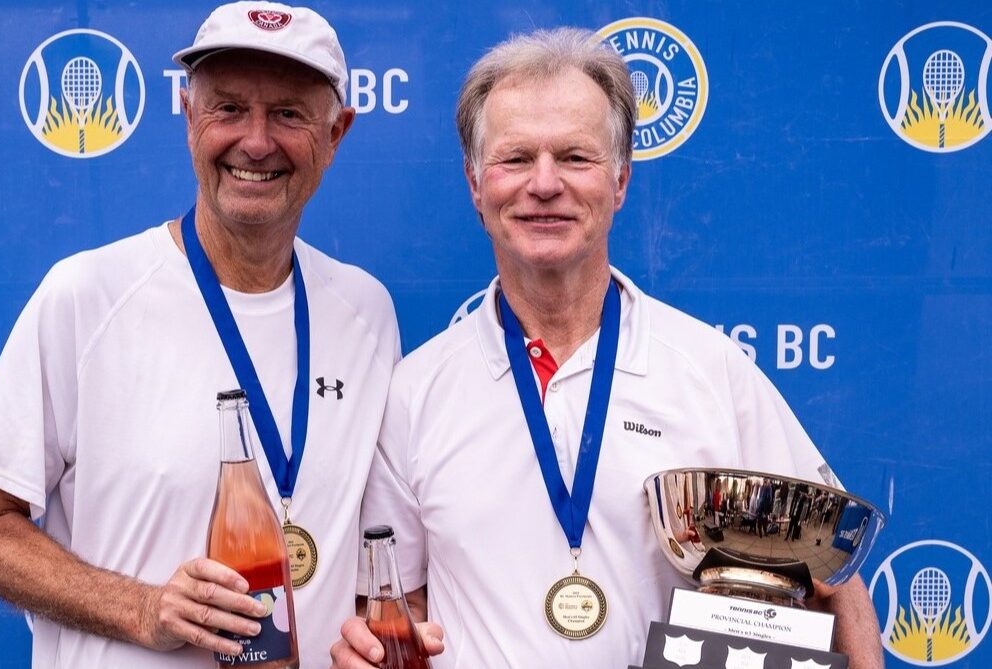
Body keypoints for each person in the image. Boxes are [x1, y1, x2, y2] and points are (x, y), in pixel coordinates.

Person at [330, 27, 883, 669]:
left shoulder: (711, 370)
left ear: (619, 181)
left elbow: (834, 581)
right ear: (476, 185)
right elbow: (400, 606)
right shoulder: (415, 391)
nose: (544, 184)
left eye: (575, 157)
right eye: (515, 159)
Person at [0, 3, 399, 668]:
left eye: (290, 114)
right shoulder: (86, 296)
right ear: (189, 117)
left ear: (337, 133)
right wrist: (143, 607)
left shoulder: (366, 312)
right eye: (230, 109)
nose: (257, 141)